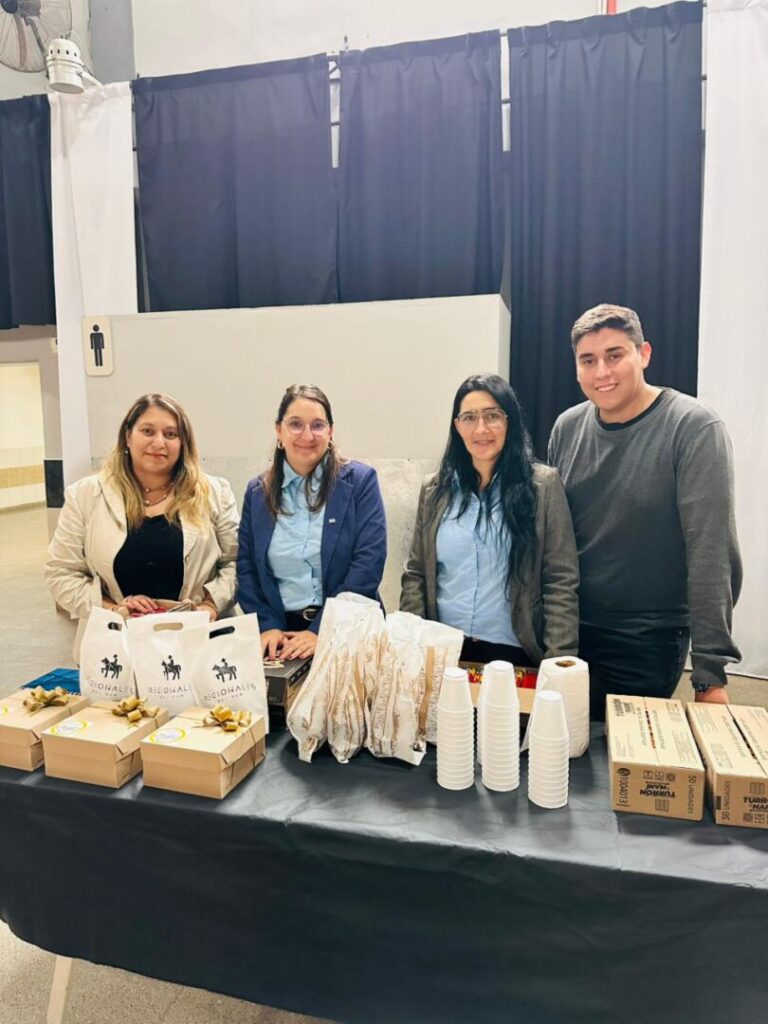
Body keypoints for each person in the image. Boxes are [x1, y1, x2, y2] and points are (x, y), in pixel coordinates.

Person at [548, 303, 743, 719]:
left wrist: (710, 674)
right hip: (568, 629)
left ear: (644, 354)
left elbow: (711, 554)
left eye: (615, 355)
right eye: (588, 360)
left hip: (646, 637)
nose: (602, 372)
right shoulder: (566, 428)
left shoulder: (693, 428)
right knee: (552, 742)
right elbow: (555, 539)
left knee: (616, 750)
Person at [400, 374, 579, 666]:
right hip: (444, 652)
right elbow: (416, 573)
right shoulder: (434, 490)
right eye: (469, 418)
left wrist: (559, 661)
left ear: (509, 422)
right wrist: (411, 645)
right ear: (457, 426)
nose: (481, 428)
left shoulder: (543, 486)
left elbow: (560, 580)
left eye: (492, 415)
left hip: (515, 654)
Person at [46, 393, 239, 656]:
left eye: (171, 434)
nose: (158, 442)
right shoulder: (85, 496)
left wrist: (210, 607)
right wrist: (113, 610)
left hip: (196, 646)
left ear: (183, 443)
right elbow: (61, 572)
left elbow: (236, 563)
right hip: (117, 649)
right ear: (128, 436)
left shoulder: (214, 493)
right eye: (147, 431)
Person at [237, 384, 387, 661]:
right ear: (279, 430)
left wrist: (322, 630)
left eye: (318, 425)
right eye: (295, 424)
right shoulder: (257, 492)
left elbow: (368, 564)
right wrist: (267, 625)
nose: (307, 435)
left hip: (347, 632)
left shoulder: (360, 482)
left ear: (330, 432)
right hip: (280, 637)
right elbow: (246, 568)